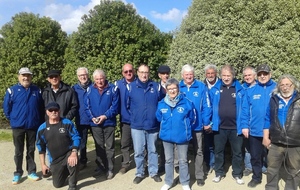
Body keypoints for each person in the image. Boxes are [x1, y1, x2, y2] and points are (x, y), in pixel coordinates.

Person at [3, 67, 44, 184]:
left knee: (31, 150)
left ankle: (31, 171)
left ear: (31, 77)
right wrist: (14, 119)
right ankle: (18, 173)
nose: (26, 78)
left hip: (33, 126)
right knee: (18, 151)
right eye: (23, 75)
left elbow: (41, 108)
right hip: (18, 126)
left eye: (28, 75)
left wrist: (38, 120)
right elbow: (7, 108)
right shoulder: (12, 90)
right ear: (19, 77)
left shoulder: (37, 90)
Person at [126, 64, 164, 184]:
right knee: (138, 151)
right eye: (142, 72)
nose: (144, 74)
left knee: (153, 150)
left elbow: (161, 103)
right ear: (137, 73)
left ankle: (153, 172)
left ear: (149, 73)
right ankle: (140, 173)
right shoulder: (130, 87)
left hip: (152, 125)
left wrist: (157, 118)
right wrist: (134, 118)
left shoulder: (156, 86)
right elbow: (126, 106)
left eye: (146, 72)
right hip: (137, 126)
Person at [156, 78, 196, 190]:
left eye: (174, 88)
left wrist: (185, 128)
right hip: (166, 136)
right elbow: (159, 117)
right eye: (170, 89)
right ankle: (168, 182)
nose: (172, 91)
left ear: (178, 89)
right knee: (168, 160)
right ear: (166, 90)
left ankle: (185, 182)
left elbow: (192, 118)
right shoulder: (161, 104)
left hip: (182, 136)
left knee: (183, 160)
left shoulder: (187, 102)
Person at [263, 74, 300, 190]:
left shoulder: (298, 100)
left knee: (294, 171)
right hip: (276, 141)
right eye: (282, 85)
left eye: (287, 84)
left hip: (295, 143)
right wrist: (265, 137)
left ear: (293, 85)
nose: (285, 87)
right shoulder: (274, 99)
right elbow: (267, 118)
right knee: (272, 169)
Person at [241, 64, 276, 188]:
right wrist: (245, 126)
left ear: (269, 75)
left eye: (265, 74)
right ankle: (256, 177)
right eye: (260, 74)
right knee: (255, 157)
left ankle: (273, 179)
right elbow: (245, 110)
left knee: (273, 158)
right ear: (257, 75)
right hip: (255, 130)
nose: (262, 76)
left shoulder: (277, 89)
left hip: (273, 131)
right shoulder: (251, 90)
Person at [210, 65, 245, 185]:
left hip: (236, 127)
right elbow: (209, 107)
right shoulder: (215, 89)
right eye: (224, 75)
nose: (226, 78)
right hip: (219, 127)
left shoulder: (240, 89)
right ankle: (219, 173)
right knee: (218, 151)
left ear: (233, 76)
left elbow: (244, 109)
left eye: (228, 75)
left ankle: (237, 174)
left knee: (237, 153)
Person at [179, 64, 212, 186]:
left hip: (197, 126)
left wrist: (206, 122)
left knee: (198, 151)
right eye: (186, 74)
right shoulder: (178, 87)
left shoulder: (201, 87)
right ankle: (183, 176)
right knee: (182, 152)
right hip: (182, 127)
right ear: (182, 75)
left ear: (194, 75)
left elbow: (207, 106)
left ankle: (199, 176)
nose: (189, 76)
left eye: (190, 74)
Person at [36, 102, 80, 190]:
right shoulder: (42, 128)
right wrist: (43, 165)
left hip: (68, 154)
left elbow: (76, 137)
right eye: (50, 110)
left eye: (55, 110)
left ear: (59, 111)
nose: (53, 112)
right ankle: (66, 171)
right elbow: (41, 148)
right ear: (47, 112)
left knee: (73, 160)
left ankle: (72, 185)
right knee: (57, 185)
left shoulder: (67, 123)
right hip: (55, 160)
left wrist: (74, 152)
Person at [85, 69, 119, 180]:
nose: (99, 81)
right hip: (95, 124)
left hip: (108, 122)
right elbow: (87, 107)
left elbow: (115, 107)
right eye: (97, 79)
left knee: (109, 147)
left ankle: (110, 168)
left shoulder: (113, 89)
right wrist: (93, 118)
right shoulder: (89, 90)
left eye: (101, 78)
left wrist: (104, 116)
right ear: (94, 79)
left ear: (105, 78)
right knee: (99, 147)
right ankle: (101, 166)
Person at [115, 63, 136, 174]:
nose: (128, 73)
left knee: (142, 143)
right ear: (122, 73)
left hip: (138, 119)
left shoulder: (139, 83)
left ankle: (144, 164)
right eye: (126, 71)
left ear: (134, 71)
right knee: (125, 143)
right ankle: (125, 164)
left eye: (130, 71)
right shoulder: (117, 85)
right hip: (125, 119)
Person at [72, 67, 92, 169]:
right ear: (78, 77)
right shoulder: (74, 89)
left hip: (94, 119)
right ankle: (83, 161)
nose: (83, 77)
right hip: (81, 119)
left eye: (84, 75)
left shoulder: (94, 86)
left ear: (88, 75)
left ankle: (100, 161)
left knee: (99, 142)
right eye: (80, 76)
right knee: (82, 143)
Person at [203, 64, 219, 174]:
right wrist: (206, 122)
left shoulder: (222, 84)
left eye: (212, 73)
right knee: (208, 145)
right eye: (208, 73)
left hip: (219, 120)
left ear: (216, 74)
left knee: (218, 145)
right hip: (207, 121)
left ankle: (218, 165)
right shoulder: (202, 86)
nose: (210, 75)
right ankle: (209, 164)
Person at [241, 66, 257, 177]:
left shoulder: (260, 87)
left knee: (260, 147)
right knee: (247, 147)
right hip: (245, 122)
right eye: (245, 75)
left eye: (249, 75)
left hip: (257, 122)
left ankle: (262, 166)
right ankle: (248, 166)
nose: (247, 77)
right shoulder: (241, 88)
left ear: (254, 75)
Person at [156, 65, 172, 174]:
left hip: (173, 117)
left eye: (167, 73)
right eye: (163, 74)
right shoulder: (156, 87)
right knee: (162, 142)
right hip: (162, 118)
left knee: (174, 141)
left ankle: (176, 164)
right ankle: (162, 164)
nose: (165, 75)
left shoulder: (174, 85)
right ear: (159, 75)